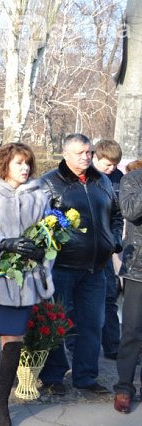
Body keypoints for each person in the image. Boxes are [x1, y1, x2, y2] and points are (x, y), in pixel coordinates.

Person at [0, 143, 54, 426]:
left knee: (13, 339)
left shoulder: (39, 196)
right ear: (4, 165)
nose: (25, 168)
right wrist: (3, 243)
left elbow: (50, 235)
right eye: (18, 163)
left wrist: (41, 251)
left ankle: (2, 402)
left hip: (22, 281)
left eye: (28, 163)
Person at [38, 133, 123, 395]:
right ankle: (53, 376)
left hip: (95, 268)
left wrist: (114, 241)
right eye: (80, 153)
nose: (86, 157)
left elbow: (116, 215)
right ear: (65, 154)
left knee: (92, 324)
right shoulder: (49, 183)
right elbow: (37, 223)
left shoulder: (102, 181)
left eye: (89, 152)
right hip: (62, 267)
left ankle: (85, 376)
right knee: (56, 322)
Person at [113, 162, 142, 414]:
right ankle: (124, 387)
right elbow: (130, 211)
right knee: (132, 330)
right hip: (139, 268)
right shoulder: (132, 179)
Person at [92, 139, 124, 360]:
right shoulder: (85, 177)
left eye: (115, 164)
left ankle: (112, 346)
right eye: (107, 164)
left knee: (109, 297)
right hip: (83, 249)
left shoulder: (119, 179)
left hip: (105, 248)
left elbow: (118, 216)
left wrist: (114, 241)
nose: (111, 169)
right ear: (96, 158)